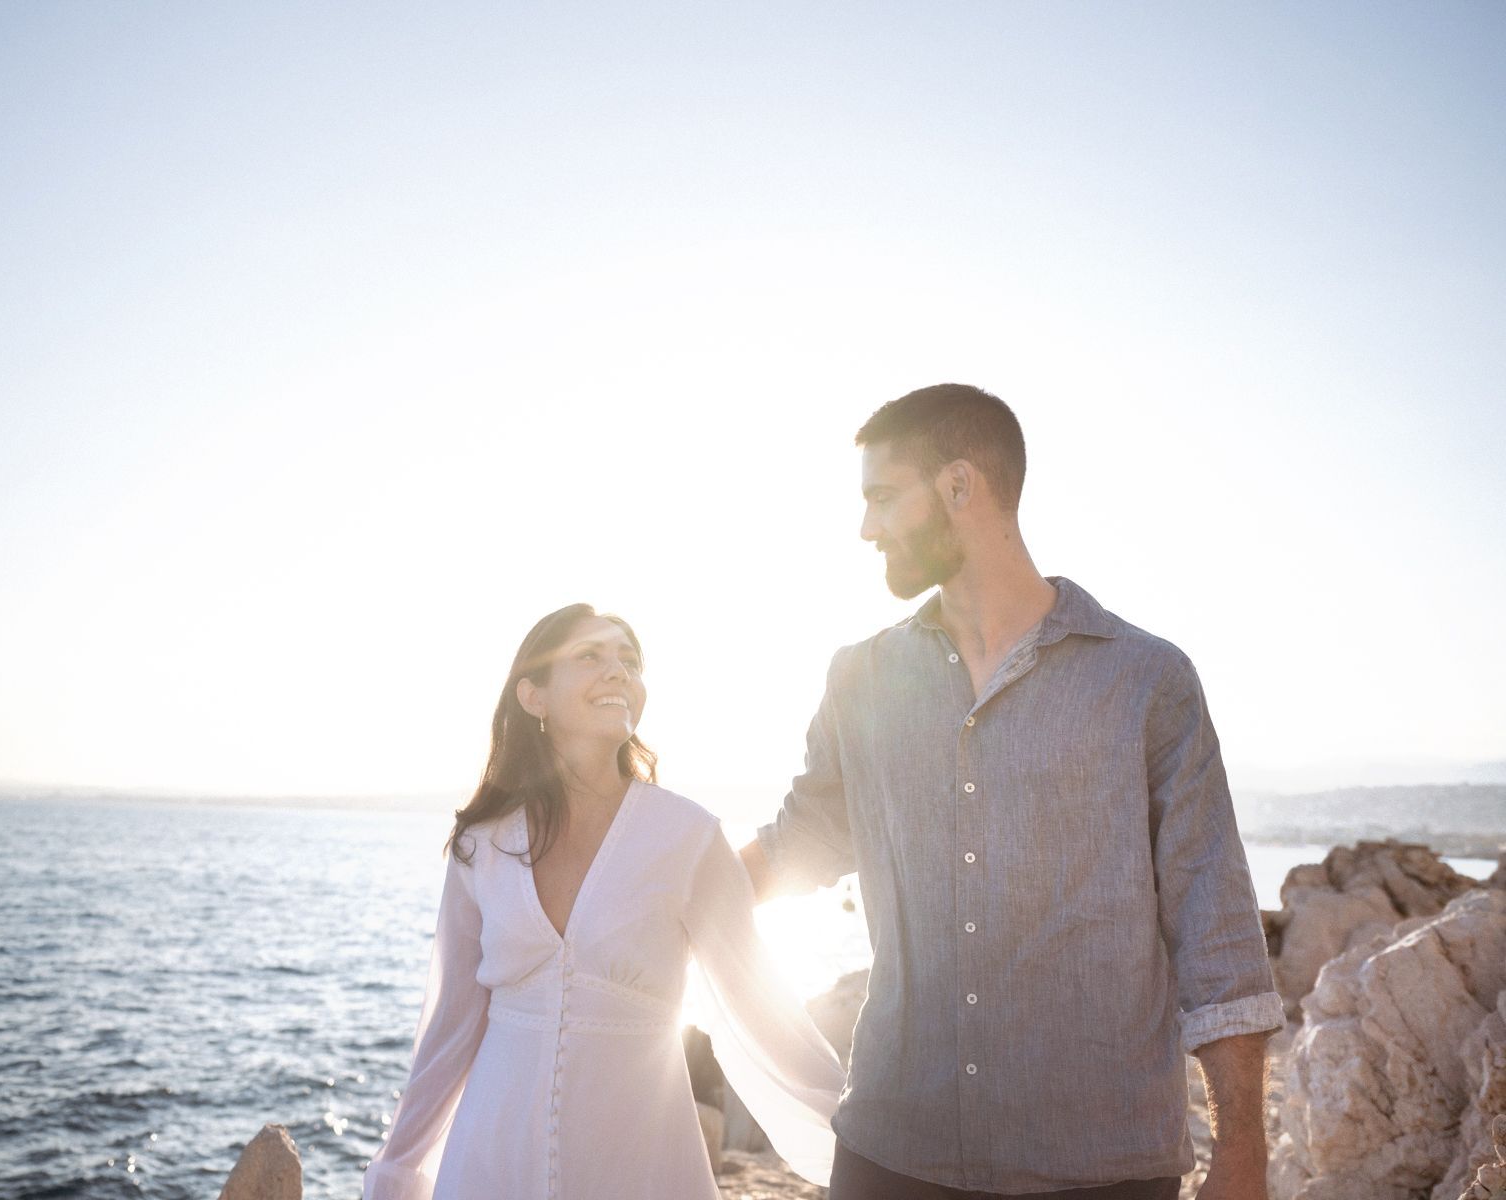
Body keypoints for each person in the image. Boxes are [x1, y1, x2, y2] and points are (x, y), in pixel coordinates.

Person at [739, 384, 1285, 1200]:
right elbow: (799, 840)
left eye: (883, 497)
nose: (866, 527)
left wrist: (1242, 1154)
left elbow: (1216, 922)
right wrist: (644, 885)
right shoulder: (860, 678)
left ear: (960, 486)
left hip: (1100, 1167)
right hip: (892, 1153)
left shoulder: (1145, 680)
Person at [362, 603, 844, 1200]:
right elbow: (452, 1024)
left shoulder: (688, 837)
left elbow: (760, 1004)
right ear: (533, 696)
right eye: (590, 655)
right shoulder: (481, 844)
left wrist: (854, 1133)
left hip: (639, 1157)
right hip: (492, 1155)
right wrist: (397, 1169)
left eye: (630, 661)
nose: (619, 672)